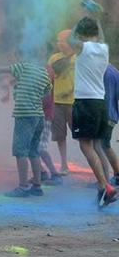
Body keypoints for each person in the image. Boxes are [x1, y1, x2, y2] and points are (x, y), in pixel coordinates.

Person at [69, 15, 116, 206]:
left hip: (85, 102)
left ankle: (106, 187)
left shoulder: (83, 47)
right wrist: (97, 18)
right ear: (96, 32)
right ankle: (102, 188)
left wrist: (76, 22)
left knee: (85, 145)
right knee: (97, 145)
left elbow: (71, 39)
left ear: (81, 34)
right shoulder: (104, 49)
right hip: (100, 103)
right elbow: (102, 37)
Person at [0, 55, 51, 197]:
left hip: (25, 115)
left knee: (21, 151)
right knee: (34, 151)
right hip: (39, 116)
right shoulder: (44, 73)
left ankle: (23, 187)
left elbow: (3, 69)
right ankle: (37, 186)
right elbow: (47, 92)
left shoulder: (24, 67)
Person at [48, 30, 76, 174]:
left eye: (62, 40)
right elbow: (48, 77)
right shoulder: (54, 58)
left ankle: (94, 160)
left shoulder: (77, 58)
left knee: (82, 135)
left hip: (74, 102)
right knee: (60, 135)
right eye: (58, 40)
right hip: (57, 102)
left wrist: (71, 91)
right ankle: (64, 164)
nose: (59, 43)